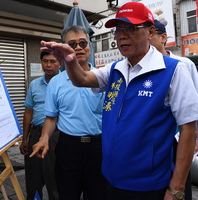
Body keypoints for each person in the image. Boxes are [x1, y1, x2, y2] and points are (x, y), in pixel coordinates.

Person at [37, 2, 198, 200]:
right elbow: (82, 80)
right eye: (118, 29)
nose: (122, 35)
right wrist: (69, 60)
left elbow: (189, 130)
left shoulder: (174, 70)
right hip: (111, 179)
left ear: (150, 31)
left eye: (130, 28)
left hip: (148, 185)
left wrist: (176, 188)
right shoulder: (116, 69)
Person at [30, 26, 106, 200]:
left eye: (82, 43)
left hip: (98, 147)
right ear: (64, 49)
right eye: (72, 44)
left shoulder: (103, 77)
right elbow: (51, 117)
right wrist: (44, 139)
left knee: (98, 194)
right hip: (68, 147)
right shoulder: (56, 82)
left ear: (90, 46)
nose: (78, 47)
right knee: (66, 193)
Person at [151, 19, 198, 200]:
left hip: (179, 137)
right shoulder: (142, 66)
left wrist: (196, 137)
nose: (147, 40)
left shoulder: (183, 64)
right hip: (155, 139)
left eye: (151, 35)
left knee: (179, 184)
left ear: (163, 37)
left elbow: (195, 102)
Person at [20, 51, 61, 200]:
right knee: (33, 178)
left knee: (54, 179)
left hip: (57, 136)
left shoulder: (67, 82)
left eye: (53, 61)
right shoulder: (34, 84)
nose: (49, 65)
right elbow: (28, 112)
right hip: (35, 136)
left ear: (60, 63)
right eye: (45, 61)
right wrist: (25, 138)